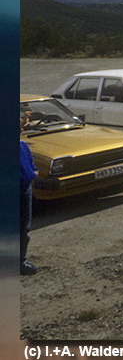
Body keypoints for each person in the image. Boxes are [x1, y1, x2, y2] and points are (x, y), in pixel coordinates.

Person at [20, 109, 38, 276]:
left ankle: (21, 262)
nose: (22, 130)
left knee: (24, 229)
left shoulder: (23, 146)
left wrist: (33, 173)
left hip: (25, 191)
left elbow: (32, 166)